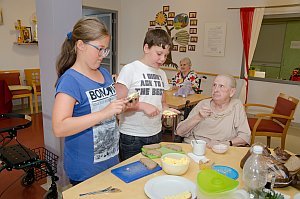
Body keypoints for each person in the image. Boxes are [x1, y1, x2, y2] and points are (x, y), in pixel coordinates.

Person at [52, 17, 128, 186]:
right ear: (80, 45)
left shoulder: (105, 73)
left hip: (111, 161)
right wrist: (104, 113)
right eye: (99, 49)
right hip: (85, 169)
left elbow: (105, 107)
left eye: (105, 50)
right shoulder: (70, 80)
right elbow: (59, 127)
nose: (103, 55)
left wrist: (119, 106)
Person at [115, 29, 180, 161]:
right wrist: (141, 106)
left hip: (155, 133)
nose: (162, 59)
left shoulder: (161, 74)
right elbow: (117, 104)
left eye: (166, 55)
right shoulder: (130, 69)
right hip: (132, 135)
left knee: (152, 171)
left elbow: (162, 101)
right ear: (146, 48)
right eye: (159, 53)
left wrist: (166, 110)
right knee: (133, 175)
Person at [176, 74, 250, 147]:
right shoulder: (203, 104)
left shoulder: (236, 106)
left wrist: (227, 143)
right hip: (194, 146)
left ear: (232, 92)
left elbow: (245, 137)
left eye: (221, 86)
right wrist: (198, 116)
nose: (216, 90)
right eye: (214, 85)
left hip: (220, 150)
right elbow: (179, 131)